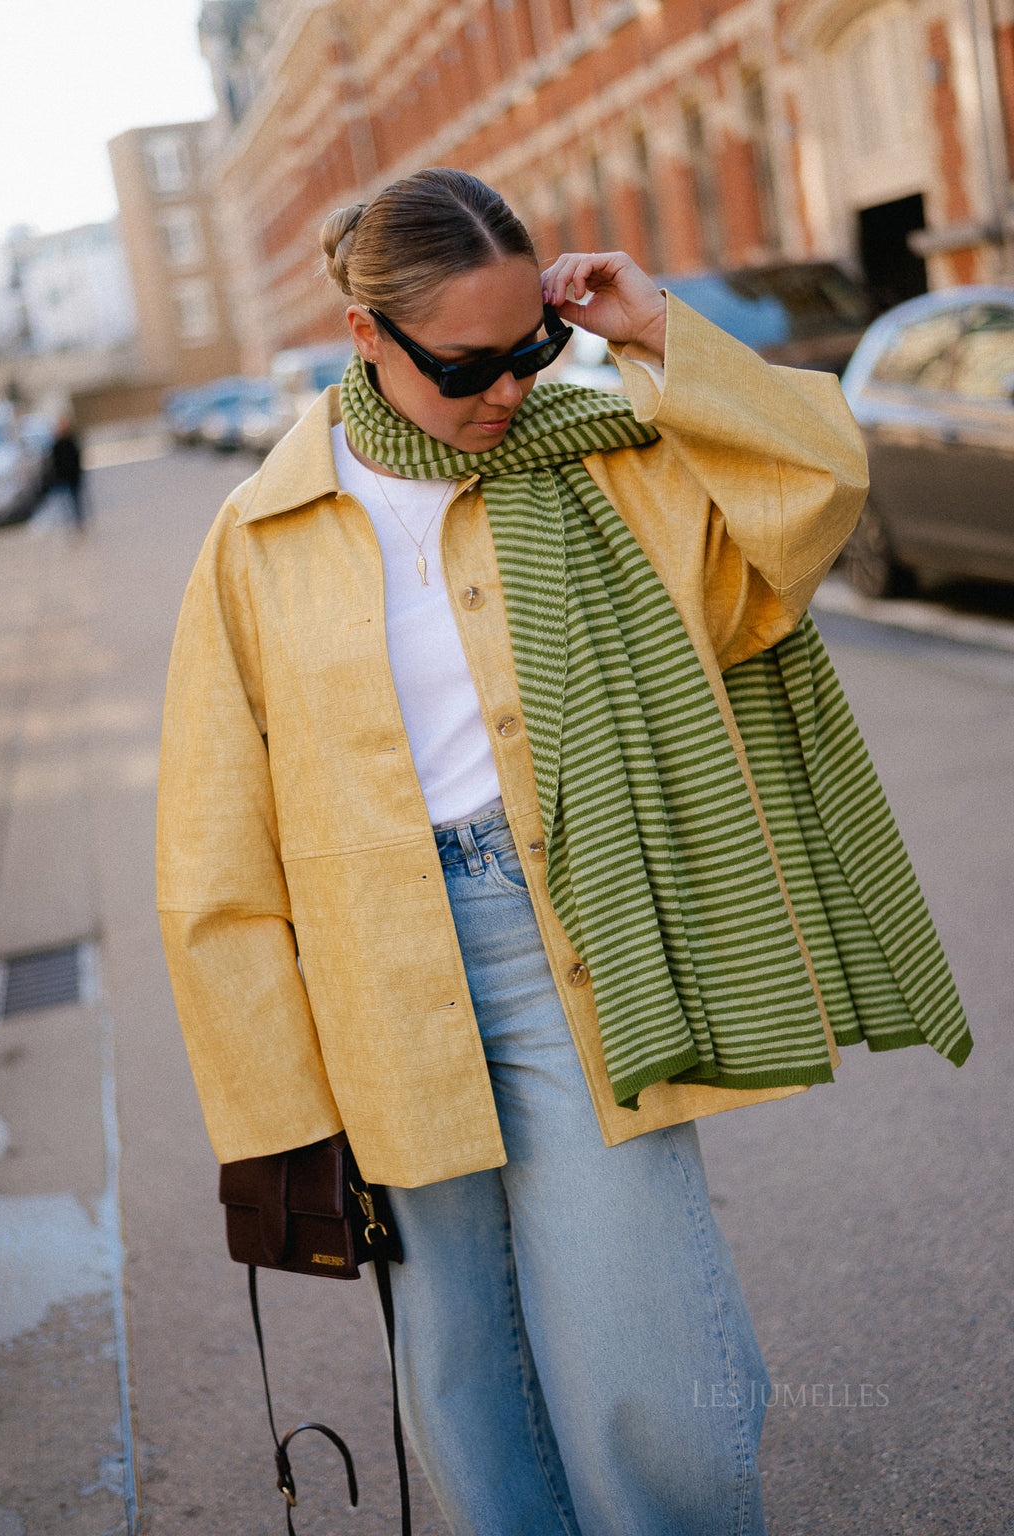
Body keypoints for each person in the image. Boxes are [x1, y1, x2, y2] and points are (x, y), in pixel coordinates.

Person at [157, 168, 970, 1536]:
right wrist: (278, 1112)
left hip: (571, 940)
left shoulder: (610, 459)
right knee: (466, 1367)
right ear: (366, 338)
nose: (508, 391)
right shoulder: (260, 536)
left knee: (648, 1348)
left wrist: (657, 333)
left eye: (529, 349)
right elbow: (214, 852)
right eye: (466, 364)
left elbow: (816, 490)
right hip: (379, 982)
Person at [50, 414, 85, 527]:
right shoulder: (57, 443)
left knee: (76, 501)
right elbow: (54, 461)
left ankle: (79, 522)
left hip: (73, 476)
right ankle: (70, 523)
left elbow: (77, 457)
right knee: (66, 502)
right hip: (63, 477)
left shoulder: (72, 440)